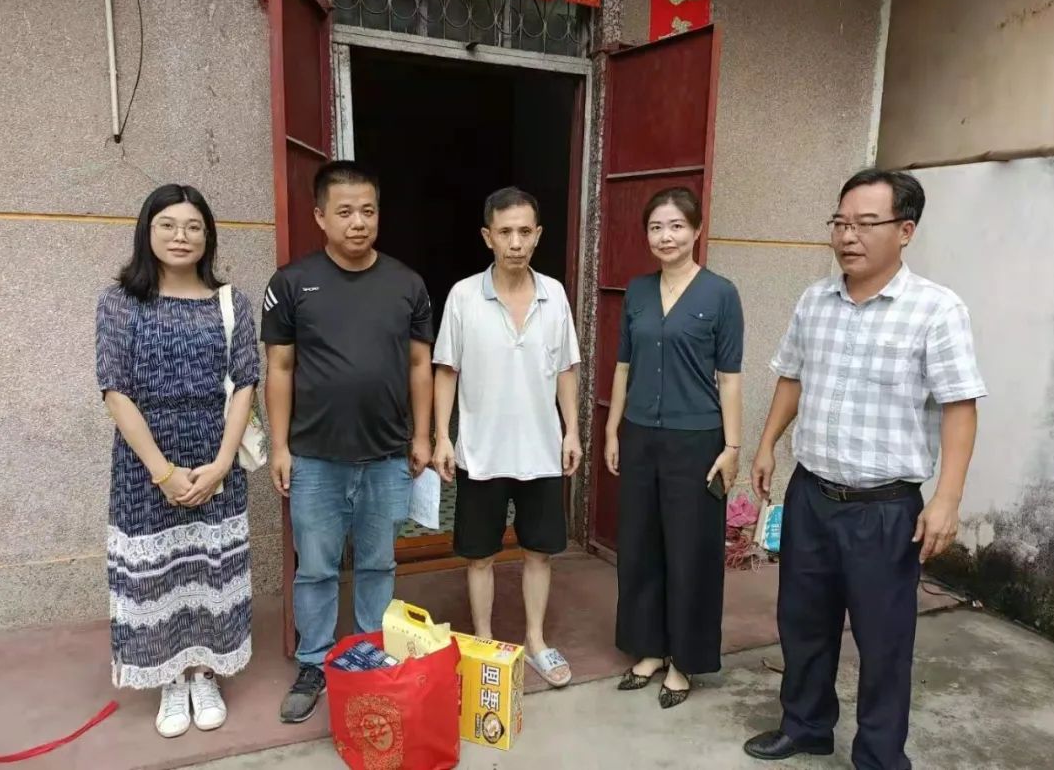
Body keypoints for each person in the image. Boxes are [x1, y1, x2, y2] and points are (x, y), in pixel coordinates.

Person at [743, 169, 986, 768]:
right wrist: (767, 442)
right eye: (840, 222)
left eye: (865, 223)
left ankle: (878, 755)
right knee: (802, 623)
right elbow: (792, 376)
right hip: (812, 494)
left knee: (883, 641)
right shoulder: (815, 300)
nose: (848, 236)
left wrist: (947, 498)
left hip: (885, 508)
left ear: (905, 230)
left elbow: (959, 406)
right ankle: (806, 726)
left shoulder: (935, 309)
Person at [263, 162, 434, 723]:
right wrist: (281, 447)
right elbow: (279, 368)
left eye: (368, 211)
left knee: (378, 564)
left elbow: (420, 364)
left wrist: (422, 435)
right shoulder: (291, 283)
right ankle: (313, 661)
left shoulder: (406, 284)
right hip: (315, 457)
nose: (358, 222)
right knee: (315, 567)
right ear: (320, 217)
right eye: (344, 212)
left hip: (386, 455)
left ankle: (368, 651)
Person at [97, 185, 259, 738]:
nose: (181, 237)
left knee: (209, 569)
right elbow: (115, 390)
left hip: (216, 456)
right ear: (148, 231)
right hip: (145, 463)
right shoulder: (120, 302)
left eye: (193, 226)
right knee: (158, 576)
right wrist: (163, 473)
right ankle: (170, 677)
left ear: (208, 236)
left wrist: (220, 464)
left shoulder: (231, 302)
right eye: (167, 225)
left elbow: (245, 384)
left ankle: (205, 672)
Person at [432, 187, 582, 688]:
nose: (515, 242)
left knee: (540, 551)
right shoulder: (463, 296)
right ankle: (484, 642)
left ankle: (536, 640)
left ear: (538, 235)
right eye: (505, 232)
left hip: (541, 450)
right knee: (480, 555)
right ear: (487, 237)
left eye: (524, 232)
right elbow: (446, 370)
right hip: (482, 452)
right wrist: (442, 436)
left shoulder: (554, 295)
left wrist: (572, 431)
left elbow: (565, 370)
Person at [604, 186, 744, 709]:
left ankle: (683, 660)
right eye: (656, 227)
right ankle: (648, 649)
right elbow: (623, 367)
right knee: (640, 546)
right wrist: (613, 429)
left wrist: (733, 446)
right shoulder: (638, 292)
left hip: (697, 440)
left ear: (697, 230)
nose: (666, 236)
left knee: (690, 551)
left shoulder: (720, 294)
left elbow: (730, 378)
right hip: (641, 434)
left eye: (677, 226)